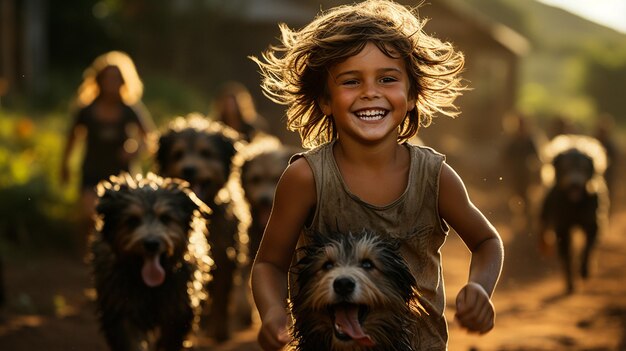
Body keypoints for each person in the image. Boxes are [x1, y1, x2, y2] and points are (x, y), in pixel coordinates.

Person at [249, 0, 504, 350]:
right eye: (351, 81)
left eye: (387, 79)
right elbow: (269, 263)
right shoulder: (306, 178)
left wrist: (479, 287)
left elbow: (487, 242)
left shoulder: (434, 176)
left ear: (411, 94)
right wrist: (273, 313)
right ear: (325, 100)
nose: (370, 92)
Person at [60, 51, 154, 256]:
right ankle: (89, 252)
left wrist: (134, 149)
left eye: (116, 78)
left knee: (122, 215)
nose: (112, 82)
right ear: (98, 80)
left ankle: (116, 252)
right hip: (91, 172)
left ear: (124, 81)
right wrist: (64, 166)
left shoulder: (130, 109)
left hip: (123, 175)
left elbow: (149, 138)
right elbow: (71, 138)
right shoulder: (86, 110)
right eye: (108, 77)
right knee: (89, 214)